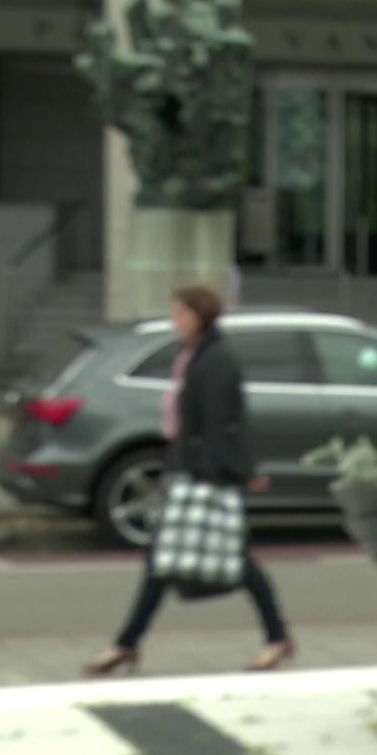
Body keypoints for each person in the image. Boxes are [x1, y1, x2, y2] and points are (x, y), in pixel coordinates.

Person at [83, 285, 295, 676]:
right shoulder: (196, 356)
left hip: (206, 477)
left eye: (181, 314)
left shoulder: (216, 361)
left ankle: (276, 638)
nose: (175, 321)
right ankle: (127, 643)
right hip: (192, 472)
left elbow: (220, 424)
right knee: (168, 562)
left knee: (227, 563)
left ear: (200, 317)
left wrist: (210, 477)